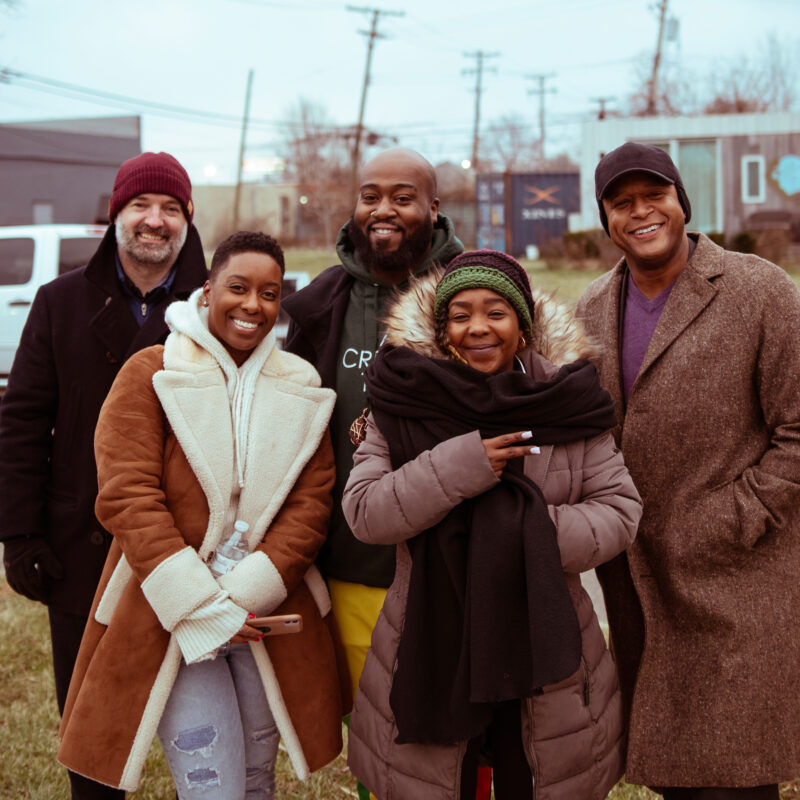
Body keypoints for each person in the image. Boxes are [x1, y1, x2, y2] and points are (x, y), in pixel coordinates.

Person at [57, 231, 350, 797]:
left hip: (265, 609)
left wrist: (244, 595)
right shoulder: (153, 370)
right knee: (210, 784)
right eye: (237, 287)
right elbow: (126, 494)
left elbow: (311, 505)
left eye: (268, 293)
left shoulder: (301, 385)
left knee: (257, 778)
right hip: (170, 610)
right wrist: (202, 604)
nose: (252, 305)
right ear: (208, 288)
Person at [341, 249, 642, 799]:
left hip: (546, 658)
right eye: (460, 315)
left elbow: (620, 512)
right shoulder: (402, 401)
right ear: (443, 328)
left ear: (522, 325)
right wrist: (462, 464)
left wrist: (523, 533)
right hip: (431, 643)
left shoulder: (568, 402)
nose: (478, 327)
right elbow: (366, 513)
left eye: (496, 312)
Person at [576, 141, 800, 799]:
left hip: (739, 587)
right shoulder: (591, 308)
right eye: (623, 203)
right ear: (606, 218)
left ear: (681, 202)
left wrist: (728, 519)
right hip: (640, 588)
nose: (641, 212)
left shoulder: (759, 289)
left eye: (656, 196)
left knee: (734, 779)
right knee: (676, 777)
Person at [0, 151, 208, 800]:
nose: (155, 220)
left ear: (188, 221)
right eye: (140, 206)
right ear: (114, 215)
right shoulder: (59, 302)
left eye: (171, 208)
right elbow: (23, 423)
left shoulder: (218, 307)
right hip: (82, 553)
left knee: (205, 739)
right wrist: (20, 534)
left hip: (195, 554)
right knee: (93, 735)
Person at [282, 149, 464, 706]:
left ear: (433, 209)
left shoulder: (473, 292)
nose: (383, 209)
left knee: (455, 729)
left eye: (403, 198)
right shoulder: (321, 304)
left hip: (451, 563)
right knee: (369, 727)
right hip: (350, 562)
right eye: (370, 196)